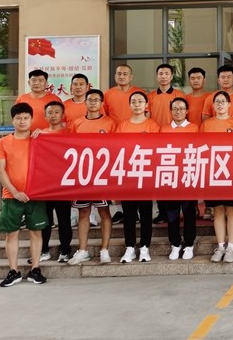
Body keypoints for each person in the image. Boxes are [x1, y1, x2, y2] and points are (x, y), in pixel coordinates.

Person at [0, 103, 48, 286]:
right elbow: (1, 170)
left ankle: (35, 269)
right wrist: (15, 191)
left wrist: (44, 133)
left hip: (36, 195)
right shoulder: (3, 143)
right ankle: (13, 271)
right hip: (12, 196)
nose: (22, 121)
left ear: (31, 120)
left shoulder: (39, 139)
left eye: (26, 118)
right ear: (13, 120)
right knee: (12, 234)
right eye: (18, 118)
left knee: (36, 233)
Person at [67, 89, 115, 265]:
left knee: (104, 211)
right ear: (85, 102)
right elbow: (70, 146)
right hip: (82, 173)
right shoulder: (77, 122)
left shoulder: (110, 122)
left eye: (96, 100)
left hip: (102, 174)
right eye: (90, 99)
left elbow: (117, 148)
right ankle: (83, 250)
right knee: (84, 212)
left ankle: (104, 250)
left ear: (102, 103)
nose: (93, 102)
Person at [201, 90, 233, 263]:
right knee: (217, 210)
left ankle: (231, 247)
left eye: (223, 101)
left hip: (232, 171)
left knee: (232, 210)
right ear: (213, 105)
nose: (220, 104)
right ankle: (220, 246)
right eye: (217, 102)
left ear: (229, 105)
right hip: (213, 172)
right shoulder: (207, 124)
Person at [116, 91, 160, 263]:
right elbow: (118, 149)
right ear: (129, 105)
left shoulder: (152, 125)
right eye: (133, 101)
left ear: (146, 105)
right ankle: (129, 247)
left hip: (146, 174)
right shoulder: (122, 126)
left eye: (140, 101)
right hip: (128, 174)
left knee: (146, 213)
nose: (137, 104)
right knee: (129, 214)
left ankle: (144, 247)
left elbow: (156, 148)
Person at [103, 63, 146, 224]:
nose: (122, 76)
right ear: (115, 76)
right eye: (119, 74)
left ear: (131, 76)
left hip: (137, 142)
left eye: (125, 74)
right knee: (119, 177)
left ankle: (137, 211)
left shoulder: (139, 93)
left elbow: (146, 115)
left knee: (136, 177)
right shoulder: (108, 94)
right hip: (116, 141)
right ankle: (121, 210)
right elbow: (104, 116)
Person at [201, 65, 233, 220]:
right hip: (214, 152)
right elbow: (205, 120)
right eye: (222, 77)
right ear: (218, 80)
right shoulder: (210, 98)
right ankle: (211, 209)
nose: (225, 80)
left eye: (228, 77)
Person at [32, 101, 73, 264]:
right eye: (50, 112)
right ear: (45, 115)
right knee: (45, 220)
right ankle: (44, 250)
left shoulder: (70, 133)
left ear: (63, 115)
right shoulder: (39, 135)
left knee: (64, 219)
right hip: (45, 185)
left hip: (63, 184)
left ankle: (65, 250)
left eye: (57, 112)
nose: (53, 115)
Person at [160, 97, 199, 260]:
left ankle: (189, 244)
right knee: (172, 213)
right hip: (170, 175)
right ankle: (175, 243)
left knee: (189, 212)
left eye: (182, 109)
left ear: (187, 111)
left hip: (188, 174)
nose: (178, 112)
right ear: (171, 111)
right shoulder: (164, 129)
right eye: (175, 109)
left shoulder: (194, 128)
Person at [148, 63, 185, 224]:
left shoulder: (179, 95)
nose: (163, 76)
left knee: (175, 176)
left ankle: (179, 210)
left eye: (166, 73)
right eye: (161, 73)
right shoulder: (150, 96)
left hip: (175, 141)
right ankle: (162, 211)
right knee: (159, 178)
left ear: (171, 76)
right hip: (156, 141)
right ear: (157, 76)